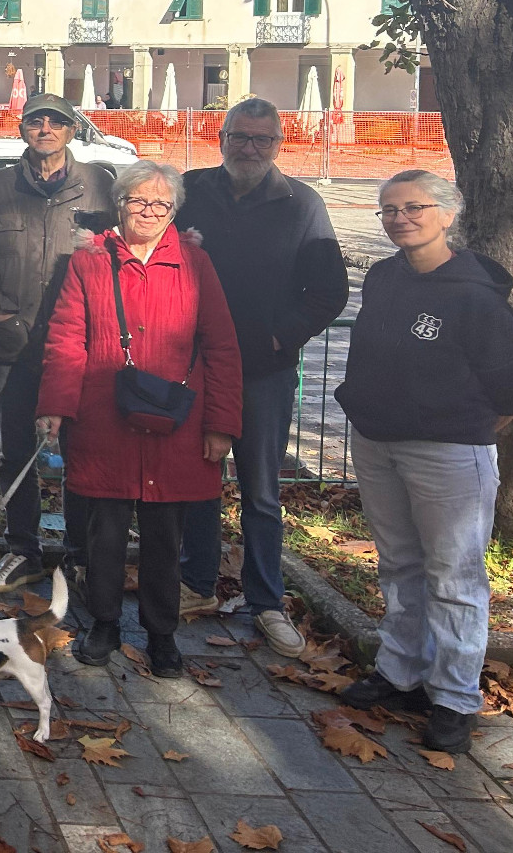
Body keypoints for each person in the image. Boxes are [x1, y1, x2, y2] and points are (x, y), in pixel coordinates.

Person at [334, 171, 513, 753]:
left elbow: (511, 387)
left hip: (448, 453)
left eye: (414, 207)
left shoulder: (474, 295)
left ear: (447, 214)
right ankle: (401, 671)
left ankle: (454, 696)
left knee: (454, 575)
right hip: (377, 441)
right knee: (399, 564)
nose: (400, 218)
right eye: (389, 210)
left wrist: (458, 426)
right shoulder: (383, 276)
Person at [36, 161, 243, 678]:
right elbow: (66, 337)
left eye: (160, 204)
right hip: (105, 417)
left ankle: (161, 633)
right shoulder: (89, 262)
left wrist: (221, 425)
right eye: (137, 201)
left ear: (173, 210)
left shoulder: (196, 263)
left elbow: (221, 346)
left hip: (176, 422)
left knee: (164, 536)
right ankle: (104, 622)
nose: (147, 212)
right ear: (120, 203)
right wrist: (56, 406)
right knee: (103, 530)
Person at [174, 97, 347, 657]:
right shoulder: (189, 190)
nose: (249, 149)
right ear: (220, 137)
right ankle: (196, 584)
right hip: (194, 367)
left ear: (278, 144)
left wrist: (278, 337)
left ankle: (266, 601)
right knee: (198, 483)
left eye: (262, 140)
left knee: (262, 492)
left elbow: (329, 293)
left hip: (263, 372)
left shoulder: (302, 204)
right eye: (239, 137)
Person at [0, 93, 115, 594]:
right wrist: (0, 312)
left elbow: (124, 256)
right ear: (22, 128)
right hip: (14, 345)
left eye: (57, 120)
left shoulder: (100, 186)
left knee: (83, 453)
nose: (45, 127)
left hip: (81, 351)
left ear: (73, 130)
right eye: (35, 120)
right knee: (16, 453)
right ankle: (21, 548)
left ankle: (77, 554)